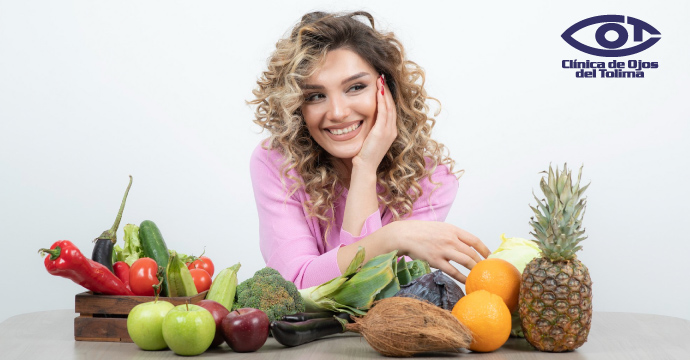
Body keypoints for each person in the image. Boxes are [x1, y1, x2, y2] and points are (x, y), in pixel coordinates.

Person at [249, 11, 490, 289]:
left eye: (355, 87)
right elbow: (297, 285)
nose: (338, 113)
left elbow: (369, 293)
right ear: (296, 106)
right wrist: (392, 237)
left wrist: (365, 168)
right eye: (315, 96)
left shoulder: (431, 180)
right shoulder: (276, 163)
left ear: (387, 88)